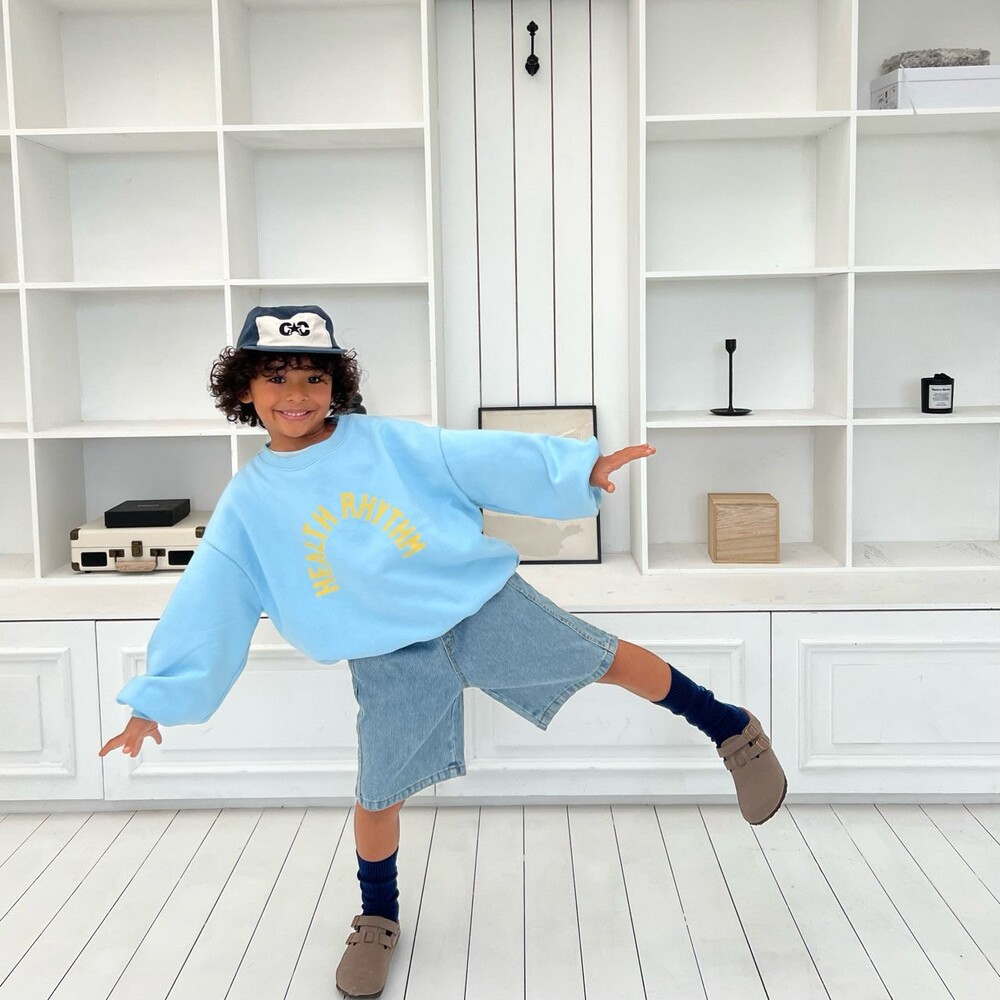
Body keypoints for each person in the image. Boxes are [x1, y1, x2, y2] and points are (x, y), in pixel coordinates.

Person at [98, 305, 786, 1000]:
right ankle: (377, 917)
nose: (297, 394)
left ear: (336, 384)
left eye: (313, 376)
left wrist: (577, 469)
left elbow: (475, 457)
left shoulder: (386, 442)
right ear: (244, 388)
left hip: (477, 606)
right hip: (386, 655)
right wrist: (157, 699)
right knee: (378, 792)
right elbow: (208, 599)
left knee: (606, 659)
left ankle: (732, 730)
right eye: (276, 378)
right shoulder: (247, 503)